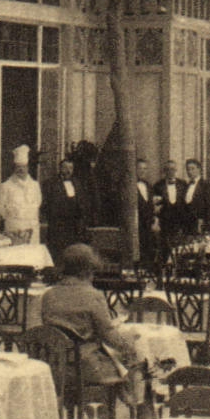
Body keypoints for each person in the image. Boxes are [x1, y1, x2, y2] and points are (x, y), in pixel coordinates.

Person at [40, 244, 141, 390]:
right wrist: (129, 344)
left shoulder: (48, 296)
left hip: (54, 366)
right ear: (88, 270)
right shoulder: (93, 296)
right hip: (84, 368)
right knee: (134, 360)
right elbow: (108, 335)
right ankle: (137, 404)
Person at [0, 144, 42, 244]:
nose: (21, 169)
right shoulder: (6, 186)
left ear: (28, 167)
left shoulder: (35, 185)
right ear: (14, 168)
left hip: (32, 227)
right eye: (18, 167)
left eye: (23, 167)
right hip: (14, 228)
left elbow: (38, 202)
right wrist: (12, 215)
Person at [42, 157, 88, 258]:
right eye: (65, 168)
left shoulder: (77, 183)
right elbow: (46, 205)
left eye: (71, 168)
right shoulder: (50, 183)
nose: (68, 171)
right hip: (57, 226)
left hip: (73, 227)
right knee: (57, 253)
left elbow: (82, 203)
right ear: (60, 168)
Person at [134, 157, 161, 266]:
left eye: (145, 169)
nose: (142, 171)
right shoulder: (129, 186)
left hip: (149, 225)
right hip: (137, 225)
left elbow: (152, 206)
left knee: (149, 251)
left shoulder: (149, 186)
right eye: (139, 168)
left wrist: (155, 219)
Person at [155, 159, 189, 244]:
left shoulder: (183, 184)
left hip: (180, 222)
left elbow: (186, 203)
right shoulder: (158, 185)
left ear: (176, 170)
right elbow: (156, 205)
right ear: (164, 171)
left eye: (173, 169)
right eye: (168, 169)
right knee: (165, 247)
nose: (170, 172)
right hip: (165, 223)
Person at [179, 158, 210, 235]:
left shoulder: (206, 185)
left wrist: (206, 223)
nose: (190, 172)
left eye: (192, 169)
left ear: (199, 169)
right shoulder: (186, 186)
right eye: (188, 169)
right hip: (187, 224)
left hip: (200, 224)